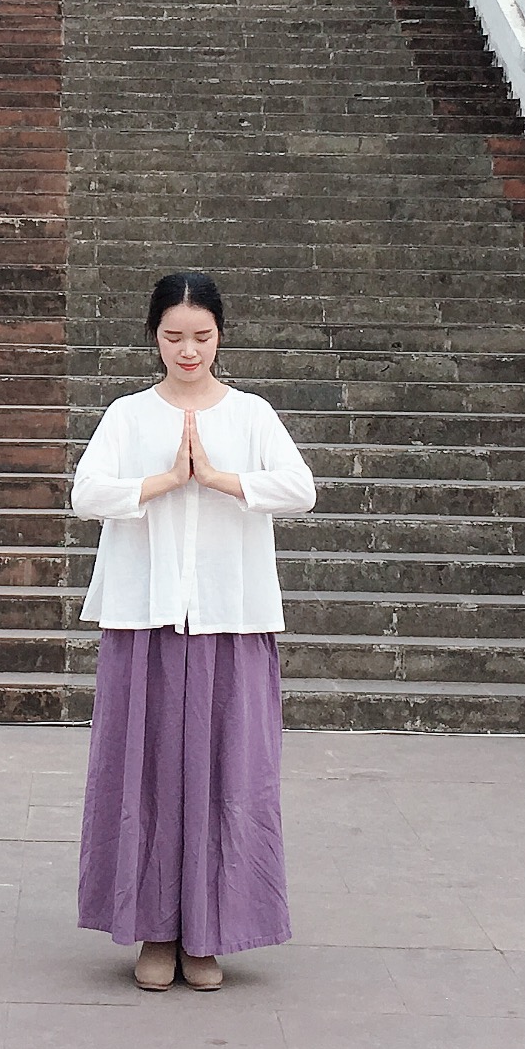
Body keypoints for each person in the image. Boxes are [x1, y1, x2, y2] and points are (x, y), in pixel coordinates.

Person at [72, 271, 316, 991]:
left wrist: (217, 478)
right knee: (143, 777)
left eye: (201, 337)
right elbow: (86, 492)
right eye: (174, 336)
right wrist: (161, 482)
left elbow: (301, 489)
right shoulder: (127, 415)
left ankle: (208, 933)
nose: (188, 350)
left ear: (220, 336)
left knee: (226, 779)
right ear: (154, 335)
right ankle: (154, 930)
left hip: (228, 618)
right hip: (144, 618)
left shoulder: (251, 414)